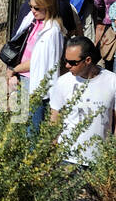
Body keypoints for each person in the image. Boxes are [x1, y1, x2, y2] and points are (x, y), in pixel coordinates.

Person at [6, 0, 67, 134]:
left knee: (31, 130)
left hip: (33, 83)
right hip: (23, 78)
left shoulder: (52, 32)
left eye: (37, 8)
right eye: (31, 7)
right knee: (18, 125)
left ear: (48, 7)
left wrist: (14, 70)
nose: (33, 11)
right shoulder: (33, 21)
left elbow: (38, 62)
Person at [49, 36, 116, 164]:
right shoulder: (62, 82)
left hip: (100, 161)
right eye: (65, 61)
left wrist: (112, 152)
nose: (67, 66)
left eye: (73, 62)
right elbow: (54, 120)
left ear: (88, 60)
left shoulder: (112, 81)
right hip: (68, 159)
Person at [93, 0, 116, 70]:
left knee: (108, 56)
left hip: (109, 27)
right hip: (111, 26)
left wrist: (105, 10)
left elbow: (97, 1)